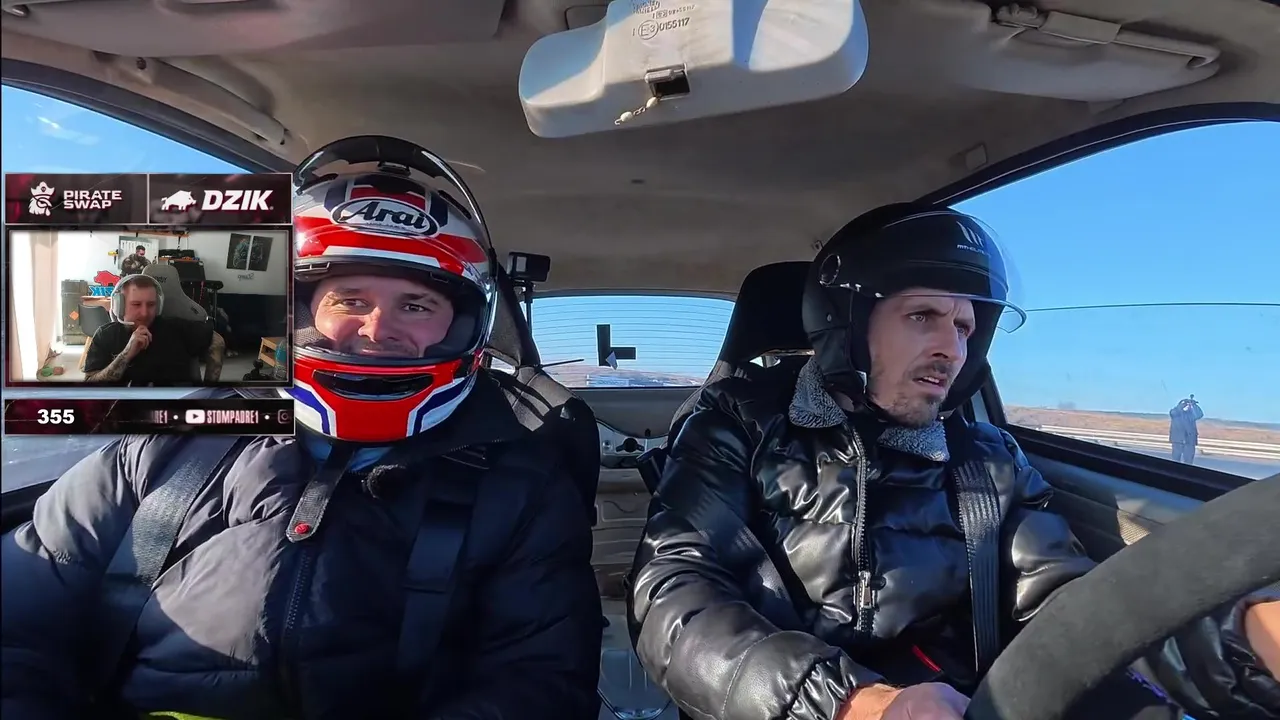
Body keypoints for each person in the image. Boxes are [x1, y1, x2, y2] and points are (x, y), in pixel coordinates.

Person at [1, 136, 603, 719]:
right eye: (350, 300)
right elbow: (18, 619)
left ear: (463, 324)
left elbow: (539, 682)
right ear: (299, 312)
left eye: (416, 306)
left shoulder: (521, 485)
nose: (377, 330)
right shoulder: (170, 441)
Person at [626, 203, 1280, 720]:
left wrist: (1242, 639)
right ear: (846, 323)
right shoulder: (741, 424)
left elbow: (1072, 612)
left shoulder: (987, 458)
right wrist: (856, 704)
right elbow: (676, 592)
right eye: (923, 316)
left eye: (965, 327)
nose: (952, 348)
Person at [82, 273, 226, 384]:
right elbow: (90, 384)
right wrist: (126, 354)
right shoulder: (105, 335)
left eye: (151, 305)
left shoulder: (176, 329)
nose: (145, 313)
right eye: (136, 304)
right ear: (119, 306)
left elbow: (217, 341)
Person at [1170, 395, 1205, 464]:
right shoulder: (1176, 413)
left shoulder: (1191, 415)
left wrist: (1194, 405)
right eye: (1186, 405)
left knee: (1189, 462)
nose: (1188, 406)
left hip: (1190, 441)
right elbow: (1173, 413)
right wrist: (1183, 405)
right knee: (1175, 461)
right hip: (1177, 441)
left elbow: (1200, 414)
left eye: (1189, 405)